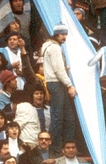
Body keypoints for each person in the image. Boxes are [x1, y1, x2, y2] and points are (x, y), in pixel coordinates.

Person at [41, 24, 76, 153]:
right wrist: (69, 85)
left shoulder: (48, 47)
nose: (64, 37)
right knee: (58, 118)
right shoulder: (54, 48)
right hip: (57, 84)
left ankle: (68, 146)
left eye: (65, 34)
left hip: (55, 83)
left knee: (69, 117)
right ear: (56, 34)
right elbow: (58, 70)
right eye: (62, 34)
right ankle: (54, 148)